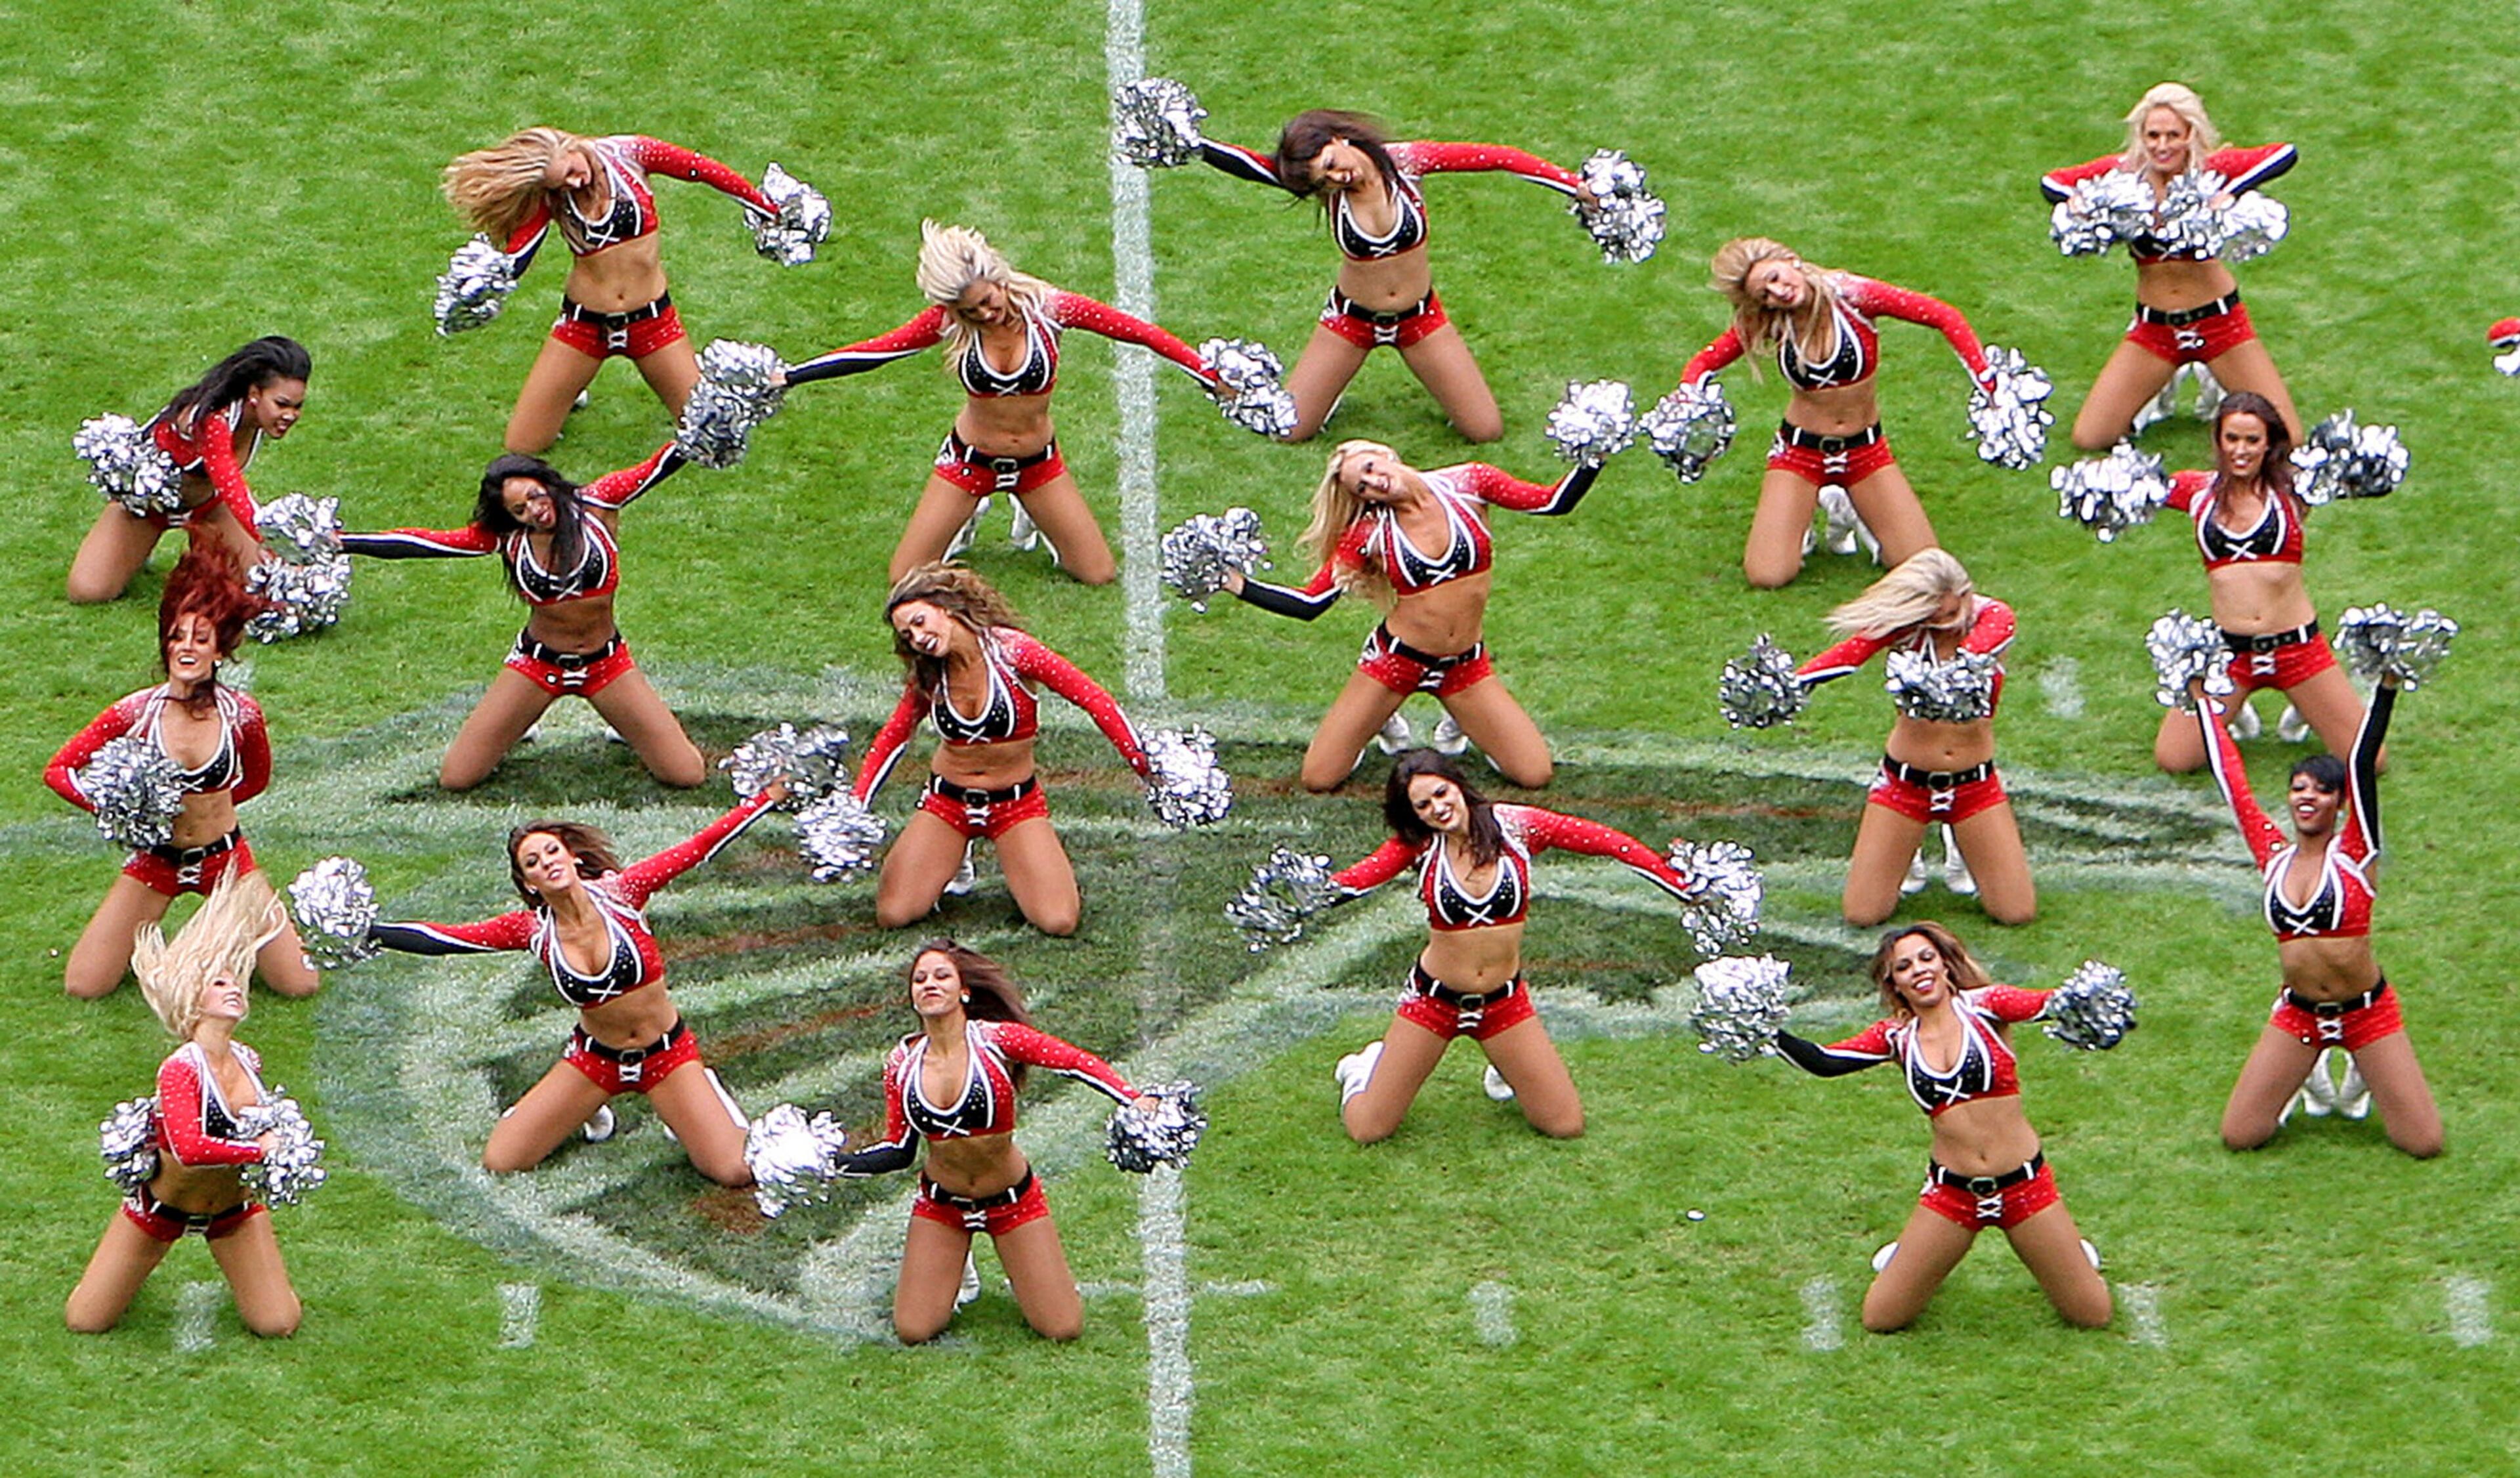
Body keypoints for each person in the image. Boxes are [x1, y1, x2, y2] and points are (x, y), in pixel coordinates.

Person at [365, 786, 785, 1177]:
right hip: (596, 1060)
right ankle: (586, 1107)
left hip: (666, 1056)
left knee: (733, 1171)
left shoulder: (624, 893)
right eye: (533, 862)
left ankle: (698, 1091)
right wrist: (369, 930)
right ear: (530, 883)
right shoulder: (531, 930)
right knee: (502, 1161)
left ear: (573, 858)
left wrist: (767, 797)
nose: (546, 861)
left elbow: (697, 848)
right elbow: (447, 939)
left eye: (552, 851)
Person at [782, 221, 1231, 585]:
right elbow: (874, 352)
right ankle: (970, 507)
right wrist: (790, 376)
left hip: (1039, 463)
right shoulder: (946, 324)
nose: (983, 314)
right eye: (968, 311)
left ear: (996, 276)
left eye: (985, 301)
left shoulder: (1050, 310)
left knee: (1097, 574)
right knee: (906, 578)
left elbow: (1136, 331)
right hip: (969, 462)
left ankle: (1025, 505)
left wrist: (1206, 371)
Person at [1324, 750, 1708, 1142]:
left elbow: (1603, 841)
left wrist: (1677, 883)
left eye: (1442, 793)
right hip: (1434, 1003)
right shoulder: (1419, 846)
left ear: (1458, 785)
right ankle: (1364, 1069)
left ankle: (1506, 1064)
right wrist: (1298, 899)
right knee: (1368, 1129)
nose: (1438, 808)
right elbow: (1356, 880)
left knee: (1564, 1125)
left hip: (1503, 1004)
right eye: (1423, 805)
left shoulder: (1516, 826)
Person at [1774, 922, 2113, 1332]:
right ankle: (1910, 1254)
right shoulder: (1896, 1036)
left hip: (2025, 1187)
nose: (1918, 970)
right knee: (1881, 1318)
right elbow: (1824, 1061)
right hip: (1953, 1195)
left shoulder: (1989, 1006)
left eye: (1926, 958)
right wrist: (1765, 1030)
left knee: (2092, 1315)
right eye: (1903, 966)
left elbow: (2047, 1004)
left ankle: (2070, 1253)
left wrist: (2086, 999)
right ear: (1894, 983)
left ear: (1946, 966)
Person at [1179, 108, 1596, 442]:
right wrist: (1190, 141)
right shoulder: (1329, 192)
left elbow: (1500, 158)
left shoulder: (1407, 163)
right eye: (1325, 180)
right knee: (1289, 430)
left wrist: (1573, 185)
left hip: (1421, 319)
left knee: (1486, 430)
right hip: (1350, 321)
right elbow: (1249, 164)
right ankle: (1326, 392)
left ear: (1339, 139)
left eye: (1332, 164)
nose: (1338, 177)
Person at [1217, 439, 1597, 789]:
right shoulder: (1368, 533)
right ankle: (1380, 720)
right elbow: (1310, 604)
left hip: (1464, 664)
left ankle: (1462, 721)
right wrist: (1235, 583)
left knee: (1535, 774)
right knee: (1319, 778)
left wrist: (1593, 455)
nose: (1372, 482)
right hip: (1396, 661)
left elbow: (1552, 502)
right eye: (1361, 487)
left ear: (1387, 454)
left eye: (1369, 467)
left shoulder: (1470, 483)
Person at [337, 442, 703, 790]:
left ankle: (624, 721)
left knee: (685, 773)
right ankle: (519, 722)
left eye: (534, 495)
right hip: (537, 666)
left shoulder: (596, 503)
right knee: (458, 778)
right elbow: (422, 544)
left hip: (606, 664)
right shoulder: (508, 539)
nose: (534, 510)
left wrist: (707, 424)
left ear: (546, 482)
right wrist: (343, 543)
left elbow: (658, 466)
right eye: (519, 510)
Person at [835, 941, 1146, 1343]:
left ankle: (1021, 1266)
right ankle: (956, 1265)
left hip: (1012, 1203)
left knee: (1063, 1328)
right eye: (920, 979)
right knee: (914, 1330)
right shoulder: (902, 1063)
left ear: (964, 990)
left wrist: (1136, 1100)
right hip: (942, 1207)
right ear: (912, 996)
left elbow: (1073, 1062)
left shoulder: (997, 1041)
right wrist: (832, 1163)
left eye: (942, 976)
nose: (929, 984)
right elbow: (898, 1150)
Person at [47, 546, 320, 1000]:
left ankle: (219, 936)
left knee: (300, 984)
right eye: (177, 636)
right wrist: (113, 808)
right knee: (85, 985)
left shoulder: (242, 716)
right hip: (158, 861)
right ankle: (209, 943)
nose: (186, 648)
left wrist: (213, 812)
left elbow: (255, 780)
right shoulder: (135, 713)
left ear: (219, 649)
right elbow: (59, 770)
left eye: (200, 637)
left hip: (227, 860)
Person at [2195, 673, 2441, 1156]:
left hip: (2367, 1013)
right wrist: (2204, 702)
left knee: (2423, 1143)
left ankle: (2359, 1071)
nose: (2307, 797)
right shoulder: (2274, 857)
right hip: (2299, 1014)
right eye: (2298, 788)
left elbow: (2362, 761)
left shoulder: (2356, 852)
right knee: (2241, 1135)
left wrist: (2386, 690)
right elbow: (2234, 784)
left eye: (2321, 791)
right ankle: (2304, 1073)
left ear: (2339, 802)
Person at [1675, 240, 1997, 587]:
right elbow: (1706, 361)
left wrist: (1988, 382)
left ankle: (1849, 507)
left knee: (1923, 567)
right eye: (1765, 294)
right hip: (1800, 453)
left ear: (1790, 260)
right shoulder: (1771, 321)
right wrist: (1688, 399)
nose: (1777, 293)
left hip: (1866, 451)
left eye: (1776, 277)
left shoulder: (1854, 296)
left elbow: (1942, 315)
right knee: (1768, 575)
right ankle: (1802, 521)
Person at [856, 563, 1154, 936]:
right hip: (947, 802)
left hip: (1015, 804)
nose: (918, 637)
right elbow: (895, 736)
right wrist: (856, 806)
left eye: (920, 621)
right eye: (908, 634)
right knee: (894, 914)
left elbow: (1093, 699)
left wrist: (1144, 765)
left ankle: (1011, 860)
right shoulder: (929, 672)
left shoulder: (1015, 653)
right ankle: (954, 855)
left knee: (1058, 921)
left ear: (946, 608)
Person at [443, 128, 784, 454]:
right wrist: (484, 284)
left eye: (573, 171)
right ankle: (569, 388)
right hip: (584, 327)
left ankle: (589, 385)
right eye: (562, 183)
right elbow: (520, 253)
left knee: (711, 434)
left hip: (654, 324)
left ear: (571, 145)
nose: (575, 183)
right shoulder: (553, 195)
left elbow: (701, 169)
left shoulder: (633, 154)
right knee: (524, 445)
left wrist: (765, 207)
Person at [66, 872, 303, 1336]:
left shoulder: (248, 1059)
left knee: (278, 1323)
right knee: (85, 1320)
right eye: (219, 984)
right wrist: (261, 1151)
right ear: (193, 997)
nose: (234, 989)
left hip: (235, 1211)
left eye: (235, 981)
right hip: (160, 1213)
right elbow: (190, 1148)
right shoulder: (180, 1069)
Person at [2042, 83, 2301, 450]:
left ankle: (2215, 395)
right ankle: (2152, 400)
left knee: (2286, 438)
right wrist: (2081, 202)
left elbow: (2284, 154)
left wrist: (2232, 191)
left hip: (2220, 324)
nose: (2162, 146)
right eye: (2153, 135)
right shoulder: (2123, 176)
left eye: (2173, 135)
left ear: (2191, 134)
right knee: (2090, 437)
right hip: (2155, 330)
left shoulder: (2210, 170)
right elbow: (2051, 182)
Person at [1788, 549, 2033, 925]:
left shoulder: (1995, 618)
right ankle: (1907, 849)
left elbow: (1975, 652)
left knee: (2016, 913)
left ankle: (1960, 841)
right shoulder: (1908, 630)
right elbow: (1849, 655)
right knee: (1863, 914)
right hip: (1905, 785)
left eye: (1954, 612)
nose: (1948, 625)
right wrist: (1793, 686)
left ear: (1968, 594)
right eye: (1935, 619)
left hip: (1975, 786)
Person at [2139, 393, 2372, 773]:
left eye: (2252, 440)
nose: (2241, 451)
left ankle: (2307, 704)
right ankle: (2236, 706)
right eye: (2232, 439)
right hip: (2230, 655)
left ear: (2269, 444)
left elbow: (2358, 474)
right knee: (2175, 759)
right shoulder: (2197, 492)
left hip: (2297, 649)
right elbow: (2137, 487)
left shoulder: (2295, 491)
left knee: (2369, 762)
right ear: (2218, 441)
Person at [68, 336, 309, 604]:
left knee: (272, 591)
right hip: (148, 509)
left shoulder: (259, 419)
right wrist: (279, 543)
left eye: (297, 407)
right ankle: (134, 550)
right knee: (88, 592)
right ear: (254, 394)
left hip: (210, 507)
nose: (290, 416)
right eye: (282, 404)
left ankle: (206, 546)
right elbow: (232, 486)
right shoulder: (212, 420)